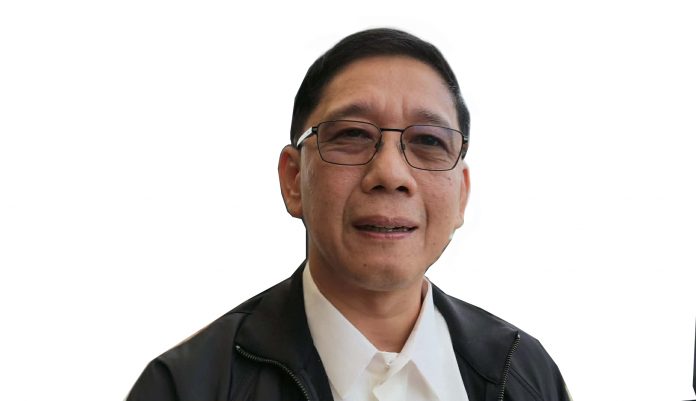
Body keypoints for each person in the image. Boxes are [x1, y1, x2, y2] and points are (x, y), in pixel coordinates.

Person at [127, 28, 571, 401]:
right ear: (293, 179)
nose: (391, 174)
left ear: (461, 195)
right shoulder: (186, 386)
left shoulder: (525, 372)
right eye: (353, 135)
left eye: (428, 141)